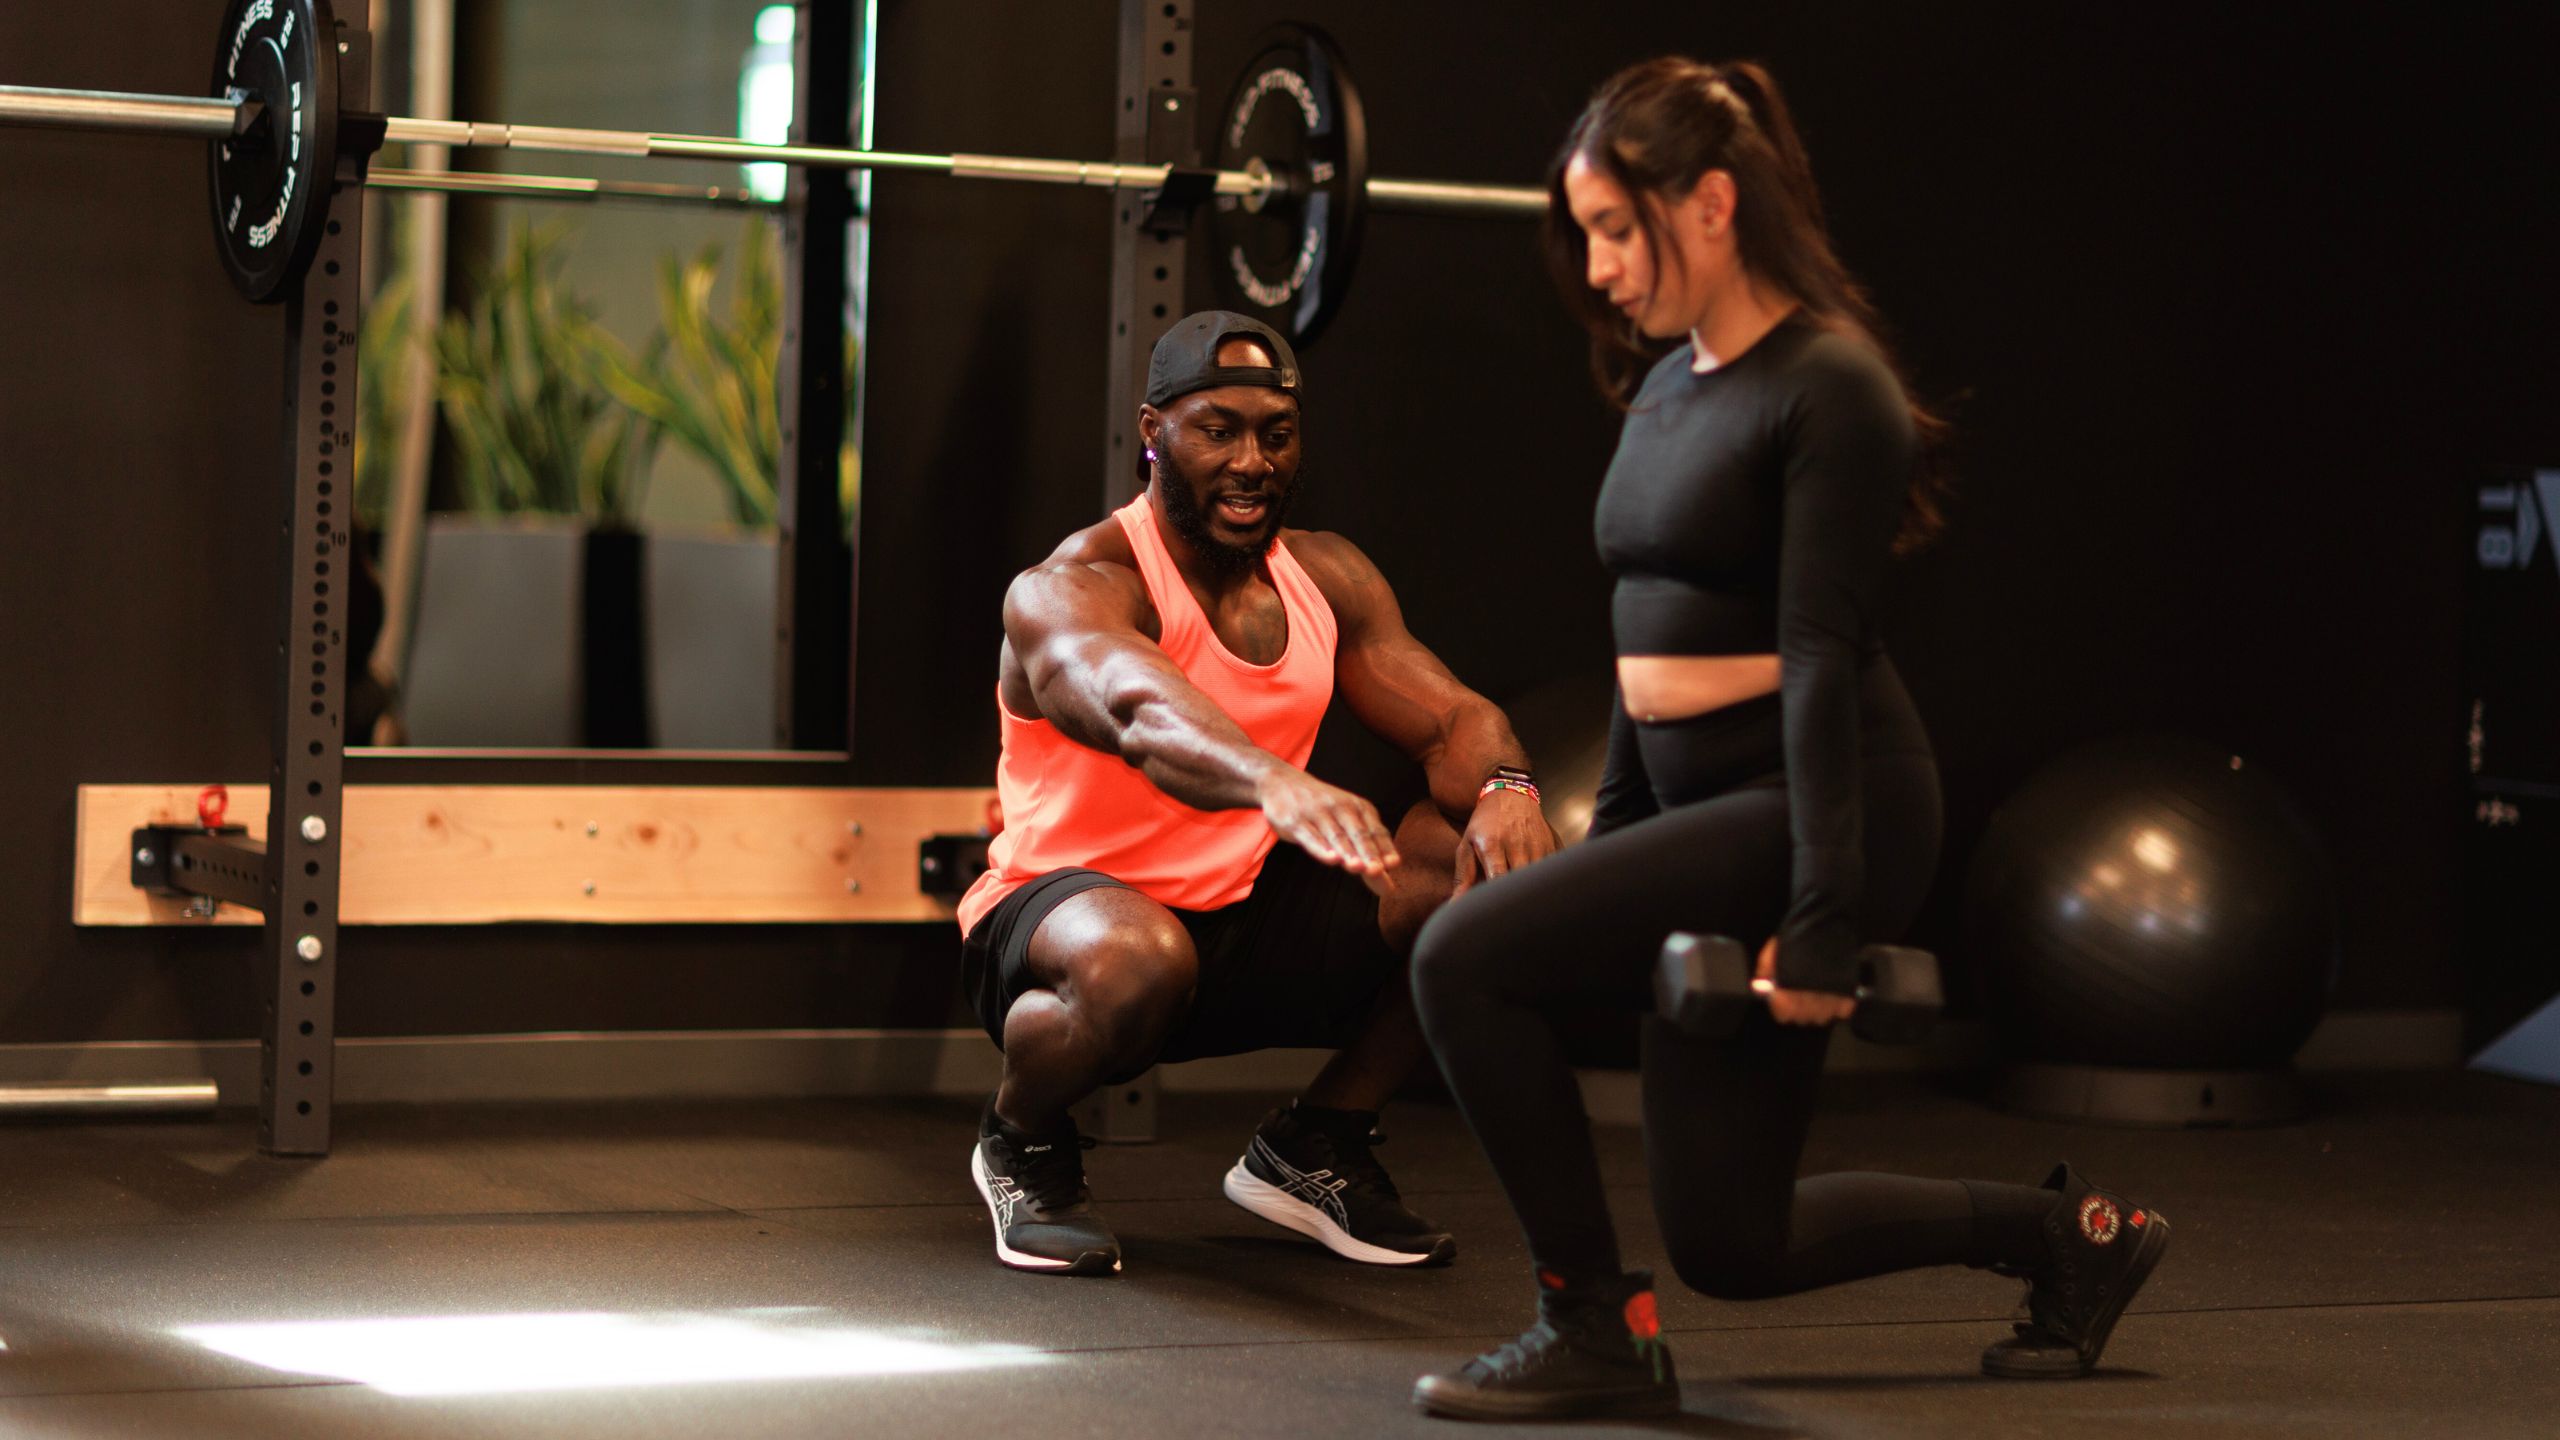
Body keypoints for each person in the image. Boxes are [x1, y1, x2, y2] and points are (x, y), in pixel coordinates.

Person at [1407, 60, 2169, 1420]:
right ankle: (2070, 1238)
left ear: (1711, 204)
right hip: (1702, 812)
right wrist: (1628, 843)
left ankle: (1590, 1328)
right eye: (1583, 234)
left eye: (1616, 230)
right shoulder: (1664, 385)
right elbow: (1645, 636)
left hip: (1826, 804)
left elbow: (1818, 652)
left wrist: (1822, 917)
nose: (1598, 270)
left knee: (1463, 956)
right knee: (1733, 1242)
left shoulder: (1834, 388)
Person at [958, 311, 1557, 1277]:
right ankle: (1020, 1138)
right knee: (1138, 955)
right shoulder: (1074, 585)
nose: (1251, 462)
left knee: (1474, 870)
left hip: (1236, 918)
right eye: (1218, 430)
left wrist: (1508, 784)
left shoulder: (1327, 576)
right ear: (1153, 431)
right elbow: (1137, 709)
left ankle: (1317, 1143)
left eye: (1275, 434)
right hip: (1067, 927)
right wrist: (1273, 780)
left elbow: (1451, 718)